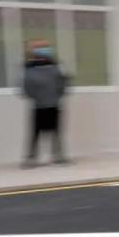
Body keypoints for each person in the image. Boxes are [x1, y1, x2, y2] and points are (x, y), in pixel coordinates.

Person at [22, 40, 68, 168]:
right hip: (39, 106)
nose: (42, 51)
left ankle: (58, 155)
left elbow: (63, 84)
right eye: (39, 48)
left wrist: (57, 96)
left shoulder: (57, 66)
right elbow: (26, 88)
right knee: (35, 133)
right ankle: (31, 158)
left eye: (44, 48)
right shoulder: (29, 68)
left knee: (56, 132)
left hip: (53, 105)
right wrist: (37, 97)